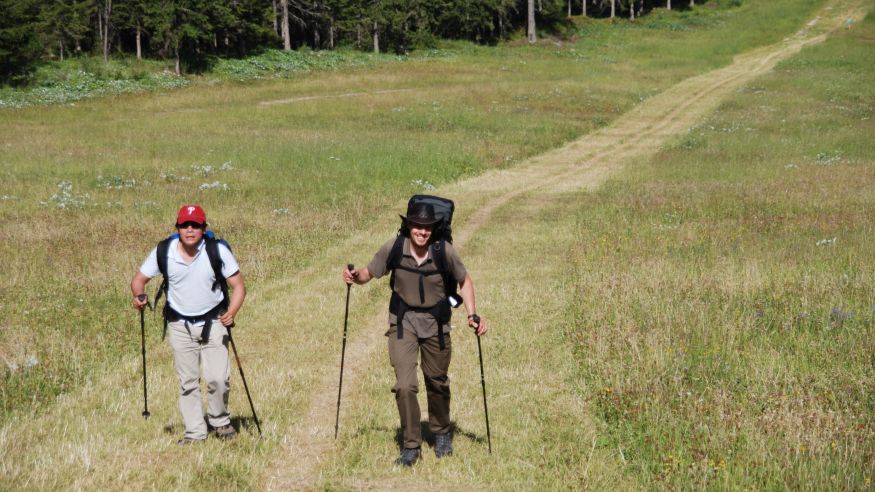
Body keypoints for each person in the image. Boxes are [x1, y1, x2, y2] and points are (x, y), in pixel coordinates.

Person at [342, 201, 488, 466]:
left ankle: (441, 431)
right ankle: (411, 446)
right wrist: (354, 276)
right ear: (408, 225)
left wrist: (472, 314)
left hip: (436, 324)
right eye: (417, 226)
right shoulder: (395, 247)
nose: (422, 231)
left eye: (427, 227)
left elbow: (465, 281)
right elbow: (369, 273)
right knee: (405, 385)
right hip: (403, 322)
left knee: (437, 381)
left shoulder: (444, 251)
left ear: (433, 229)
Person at [131, 205, 246, 445]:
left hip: (214, 321)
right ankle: (195, 432)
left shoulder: (217, 251)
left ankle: (220, 421)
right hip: (179, 324)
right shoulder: (164, 251)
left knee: (217, 378)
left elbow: (238, 287)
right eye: (185, 225)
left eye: (195, 225)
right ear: (178, 228)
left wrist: (231, 313)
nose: (190, 230)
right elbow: (139, 280)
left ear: (204, 229)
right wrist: (139, 296)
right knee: (188, 382)